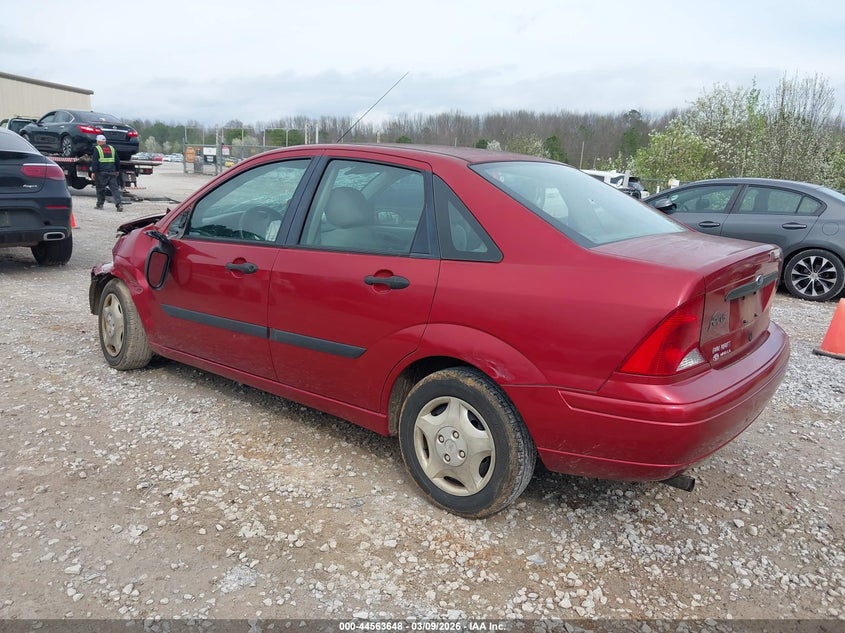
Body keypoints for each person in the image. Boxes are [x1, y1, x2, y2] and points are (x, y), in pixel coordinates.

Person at [91, 134, 123, 212]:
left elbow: (95, 162)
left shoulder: (97, 149)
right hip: (112, 172)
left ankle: (100, 204)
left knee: (100, 189)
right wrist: (117, 170)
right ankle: (119, 204)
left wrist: (93, 172)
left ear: (98, 141)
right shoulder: (112, 148)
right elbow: (117, 161)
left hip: (101, 173)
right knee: (115, 189)